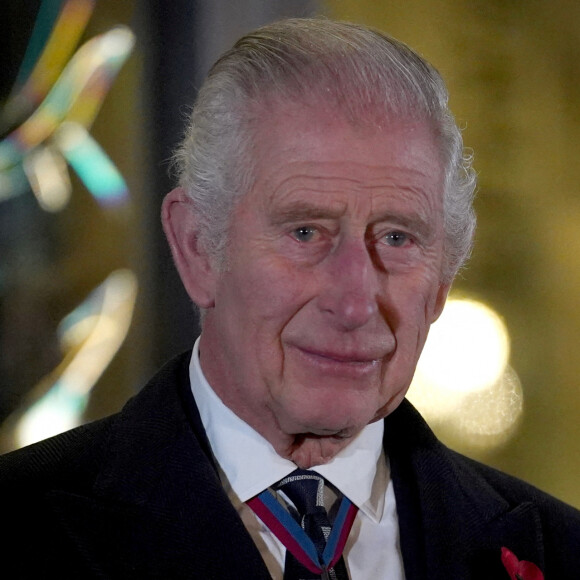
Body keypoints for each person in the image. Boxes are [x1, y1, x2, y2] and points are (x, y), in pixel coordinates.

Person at [1, 17, 579, 580]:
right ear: (198, 246)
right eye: (305, 233)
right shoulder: (21, 529)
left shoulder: (559, 552)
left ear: (442, 283)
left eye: (397, 238)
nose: (355, 305)